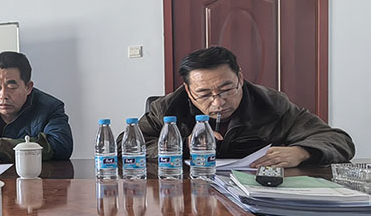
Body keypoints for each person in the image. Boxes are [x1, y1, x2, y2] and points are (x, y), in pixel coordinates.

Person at [135, 46, 354, 167]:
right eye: (204, 94)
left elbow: (338, 140)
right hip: (186, 193)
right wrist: (182, 145)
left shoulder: (272, 105)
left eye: (227, 89)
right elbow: (126, 145)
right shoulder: (168, 107)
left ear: (240, 78)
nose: (218, 102)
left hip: (256, 195)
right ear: (188, 90)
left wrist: (302, 152)